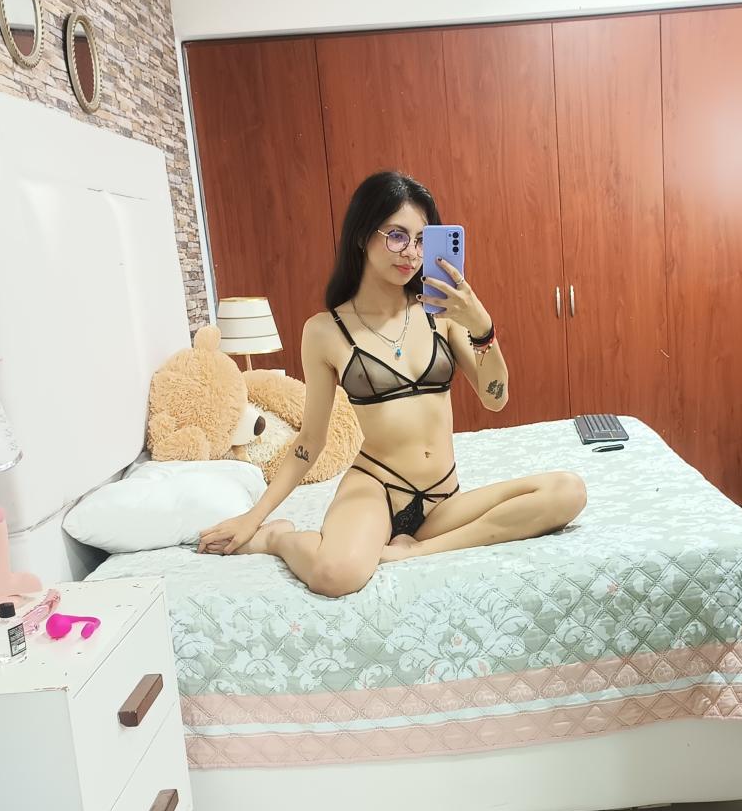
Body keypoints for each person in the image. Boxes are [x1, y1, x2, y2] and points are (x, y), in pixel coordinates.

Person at [198, 171, 587, 596]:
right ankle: (280, 538)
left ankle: (417, 551)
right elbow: (310, 440)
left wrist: (482, 327)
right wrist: (254, 518)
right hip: (375, 488)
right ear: (362, 235)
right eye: (397, 236)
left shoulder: (442, 314)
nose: (412, 253)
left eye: (421, 240)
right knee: (335, 576)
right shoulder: (325, 331)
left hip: (443, 497)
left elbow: (496, 399)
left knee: (568, 492)